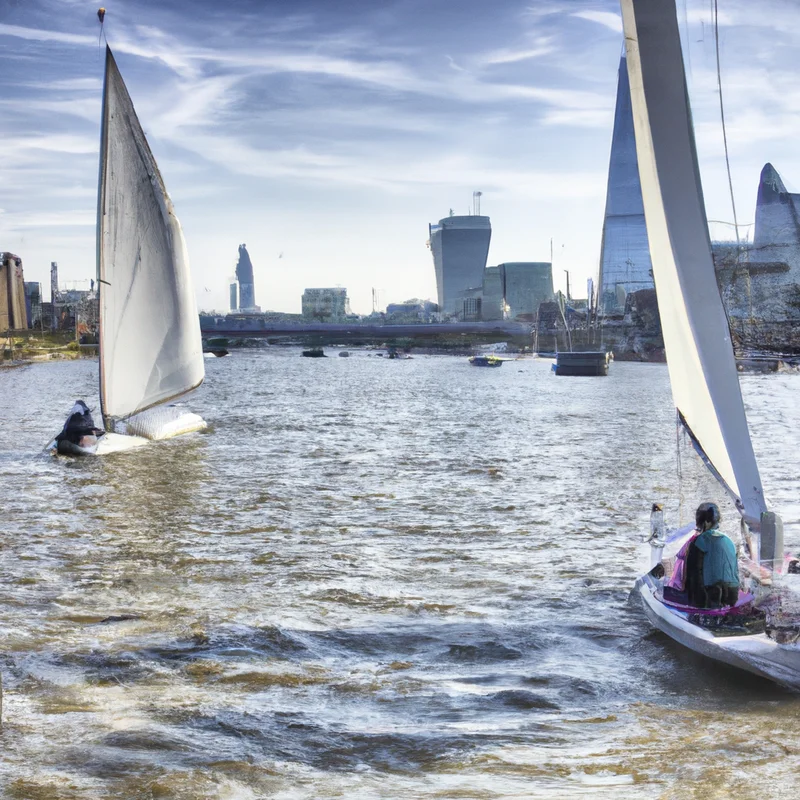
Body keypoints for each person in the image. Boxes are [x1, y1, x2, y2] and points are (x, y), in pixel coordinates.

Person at [686, 502, 739, 608]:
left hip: (711, 595)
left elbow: (693, 575)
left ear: (705, 522)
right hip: (733, 594)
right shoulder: (729, 541)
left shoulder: (699, 542)